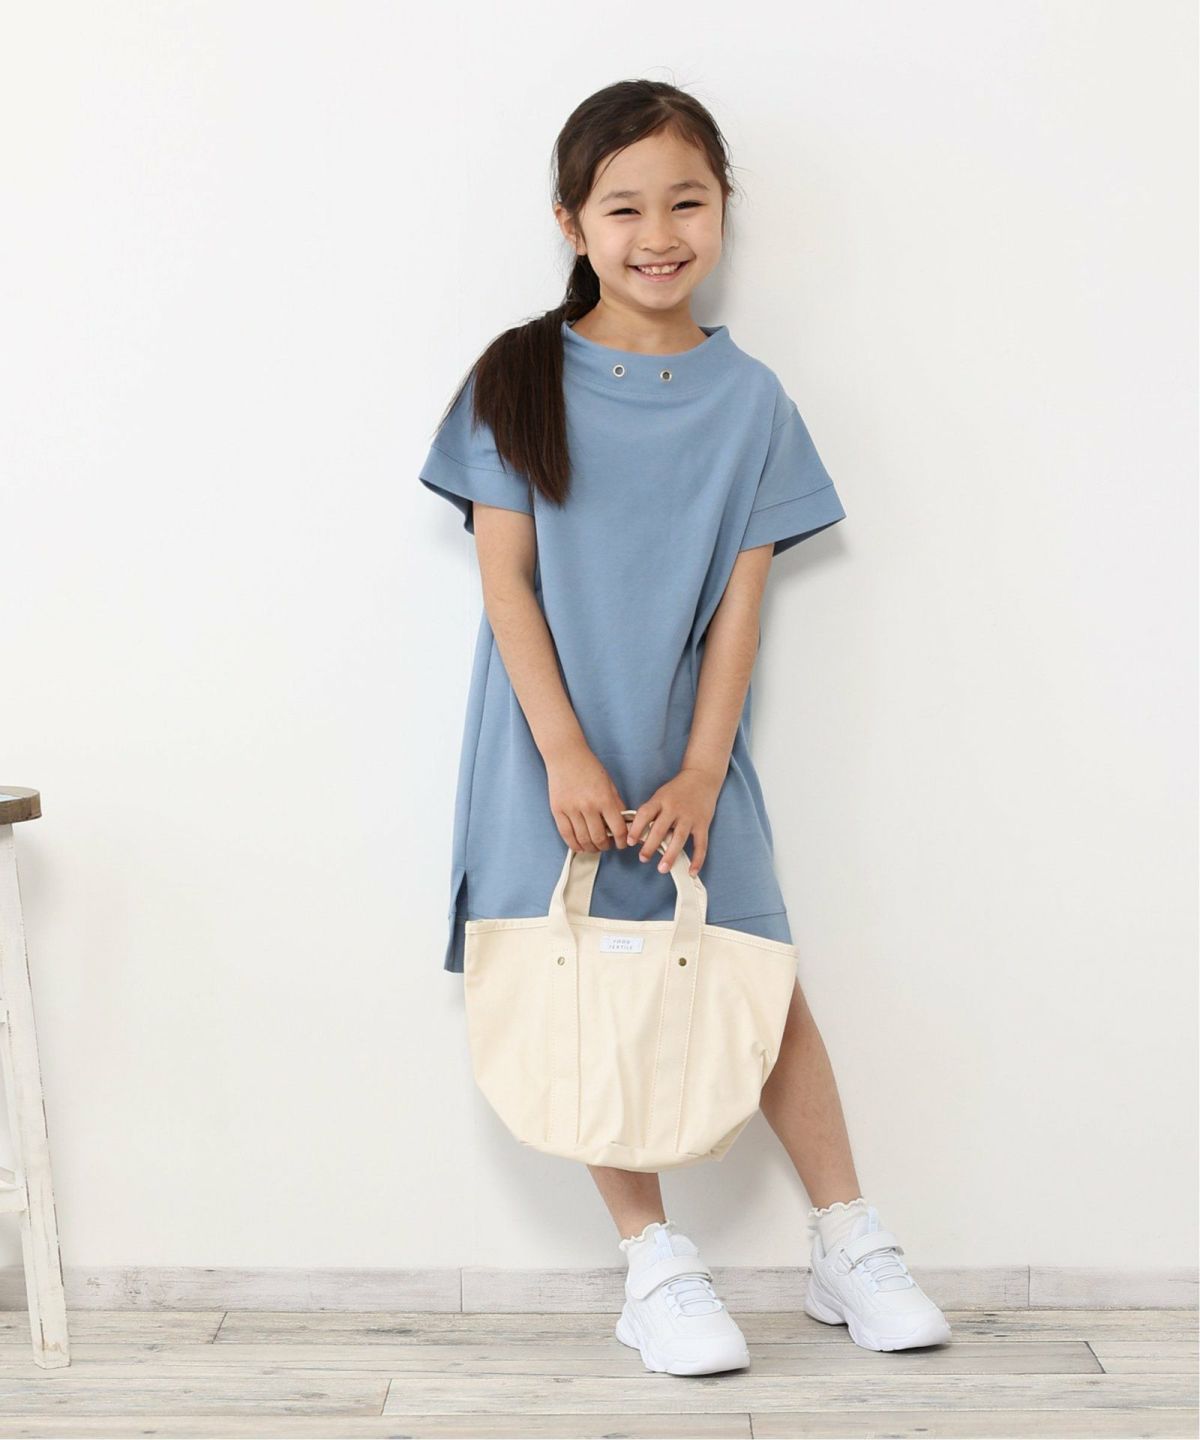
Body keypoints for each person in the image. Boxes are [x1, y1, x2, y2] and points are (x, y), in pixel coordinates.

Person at [418, 77, 951, 1374]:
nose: (658, 234)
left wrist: (706, 768)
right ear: (571, 222)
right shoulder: (515, 378)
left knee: (753, 971)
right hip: (546, 748)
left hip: (693, 752)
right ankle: (652, 1261)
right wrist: (564, 752)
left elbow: (739, 613)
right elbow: (506, 586)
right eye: (624, 207)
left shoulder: (752, 401)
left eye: (687, 202)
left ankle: (847, 1242)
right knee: (587, 988)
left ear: (722, 212)